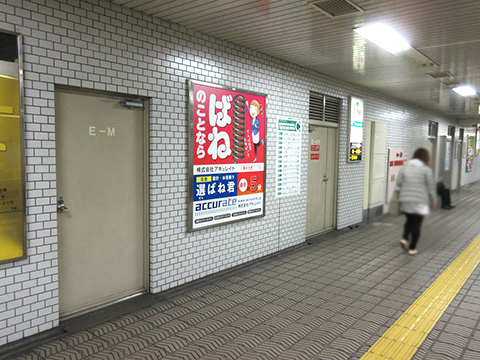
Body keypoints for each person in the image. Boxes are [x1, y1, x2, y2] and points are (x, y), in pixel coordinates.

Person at [396, 148, 436, 255]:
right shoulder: (425, 169)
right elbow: (430, 187)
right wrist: (433, 201)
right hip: (420, 200)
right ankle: (412, 248)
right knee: (416, 224)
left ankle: (404, 238)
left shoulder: (405, 166)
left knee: (409, 220)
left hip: (406, 199)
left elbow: (399, 182)